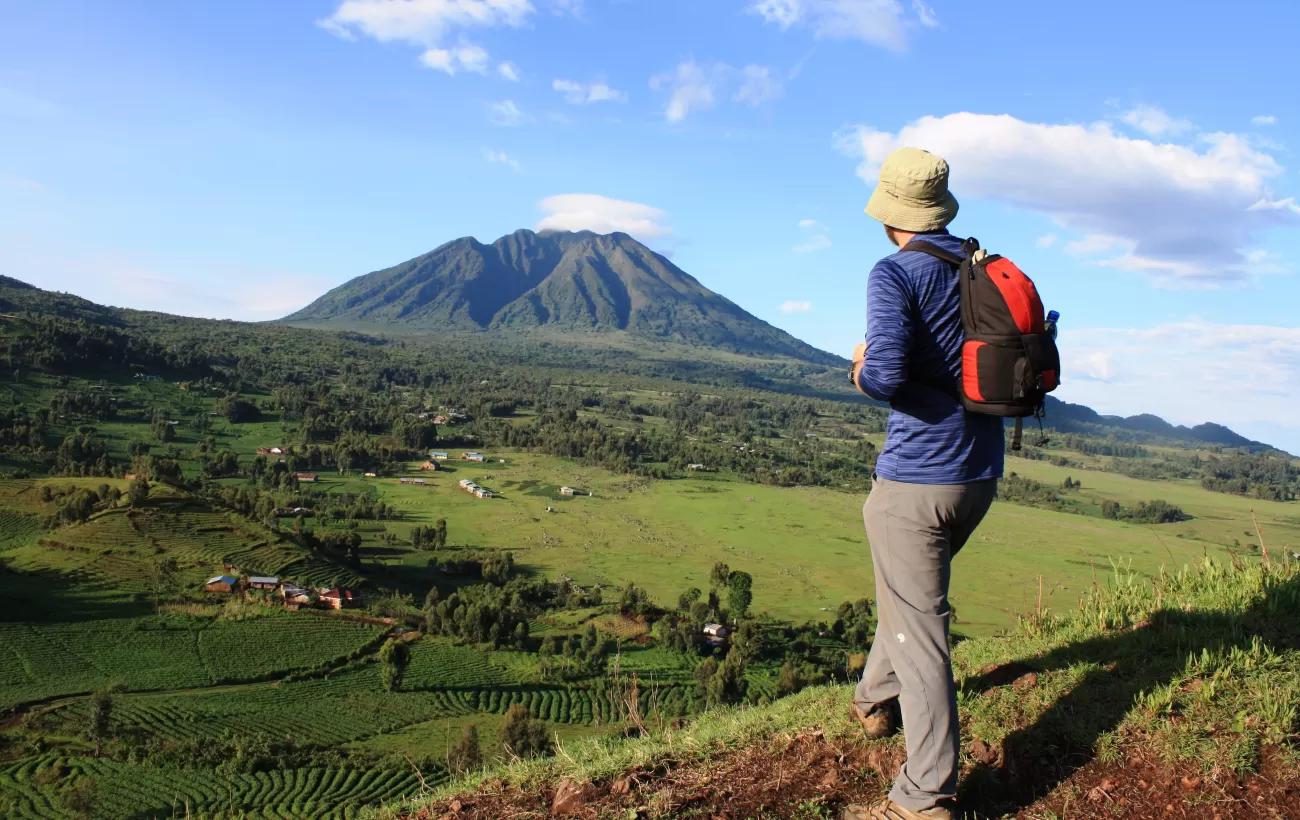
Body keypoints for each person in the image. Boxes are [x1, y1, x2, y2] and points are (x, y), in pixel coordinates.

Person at [842, 147, 1004, 820]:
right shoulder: (984, 270)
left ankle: (925, 795)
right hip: (980, 475)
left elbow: (884, 377)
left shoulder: (895, 273)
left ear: (890, 215)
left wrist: (858, 366)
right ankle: (872, 702)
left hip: (916, 481)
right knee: (909, 603)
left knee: (921, 630)